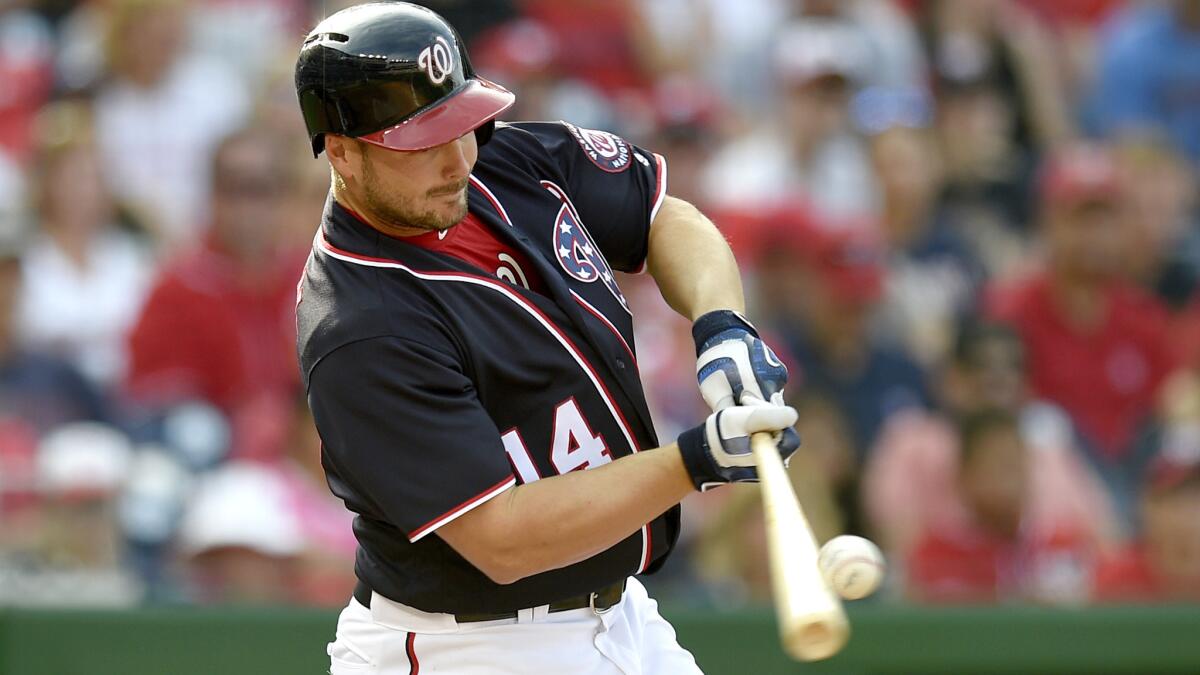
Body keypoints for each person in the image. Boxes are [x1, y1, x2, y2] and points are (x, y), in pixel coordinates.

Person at [293, 4, 799, 674]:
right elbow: (501, 540)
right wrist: (695, 461)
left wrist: (721, 324)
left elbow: (662, 216)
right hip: (472, 644)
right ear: (343, 152)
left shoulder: (502, 163)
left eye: (462, 123)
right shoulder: (360, 324)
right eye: (421, 141)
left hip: (621, 613)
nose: (458, 157)